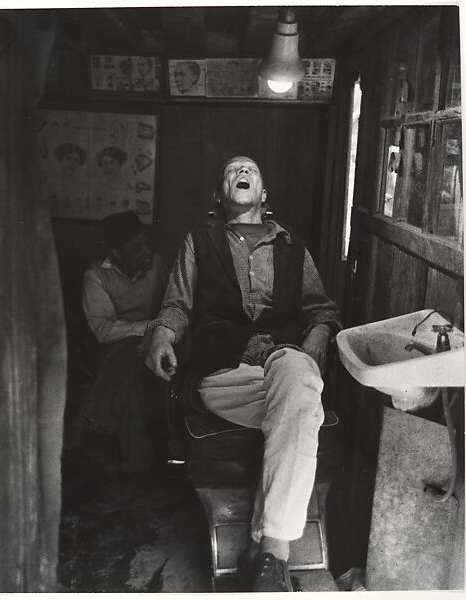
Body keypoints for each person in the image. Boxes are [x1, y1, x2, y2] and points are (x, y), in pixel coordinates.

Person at [145, 156, 341, 591]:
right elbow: (176, 304)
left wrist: (320, 337)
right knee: (299, 408)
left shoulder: (294, 246)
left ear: (264, 195)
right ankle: (264, 549)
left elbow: (320, 310)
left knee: (298, 379)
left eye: (249, 169)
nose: (242, 173)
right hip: (224, 372)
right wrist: (162, 335)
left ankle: (272, 553)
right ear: (220, 195)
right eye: (232, 171)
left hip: (283, 361)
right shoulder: (199, 241)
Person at [70, 210, 169, 476]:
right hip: (113, 347)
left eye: (146, 243)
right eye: (137, 249)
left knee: (131, 365)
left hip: (157, 343)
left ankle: (91, 417)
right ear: (116, 254)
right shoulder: (96, 276)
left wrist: (158, 331)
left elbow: (173, 307)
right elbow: (103, 330)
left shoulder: (157, 265)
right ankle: (139, 461)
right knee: (129, 359)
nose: (146, 252)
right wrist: (148, 328)